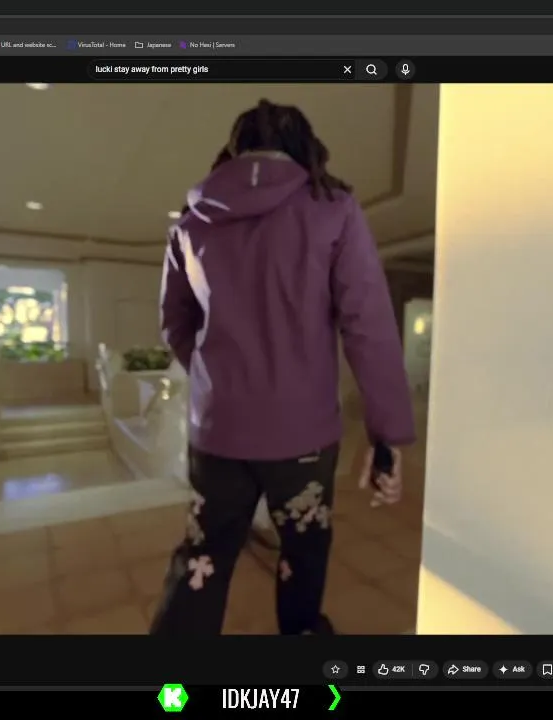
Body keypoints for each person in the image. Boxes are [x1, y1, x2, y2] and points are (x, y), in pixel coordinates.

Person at [150, 99, 416, 636]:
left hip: (217, 430)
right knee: (303, 550)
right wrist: (387, 434)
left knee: (203, 555)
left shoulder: (193, 221)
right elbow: (368, 325)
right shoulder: (333, 208)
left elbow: (174, 322)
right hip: (304, 438)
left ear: (236, 149)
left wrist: (216, 378)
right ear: (303, 147)